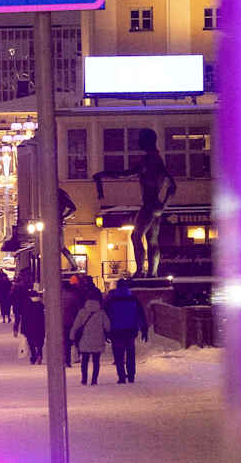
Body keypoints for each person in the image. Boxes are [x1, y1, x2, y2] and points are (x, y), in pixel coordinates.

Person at [93, 128, 177, 277]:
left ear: (146, 141)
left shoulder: (148, 160)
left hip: (149, 205)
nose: (138, 142)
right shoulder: (158, 160)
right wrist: (163, 206)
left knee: (136, 236)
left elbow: (125, 174)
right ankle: (152, 274)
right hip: (156, 205)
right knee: (152, 240)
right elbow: (172, 186)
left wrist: (104, 174)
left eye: (140, 139)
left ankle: (140, 271)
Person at [105, 278, 150, 383]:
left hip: (116, 331)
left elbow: (106, 316)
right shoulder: (133, 298)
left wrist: (106, 331)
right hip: (130, 330)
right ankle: (131, 375)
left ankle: (121, 376)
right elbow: (140, 314)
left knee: (118, 355)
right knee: (130, 353)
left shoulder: (111, 299)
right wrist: (144, 329)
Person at [70, 291, 111, 385]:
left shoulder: (82, 312)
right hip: (98, 340)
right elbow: (108, 326)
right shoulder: (101, 312)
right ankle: (94, 380)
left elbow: (76, 325)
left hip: (85, 340)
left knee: (84, 360)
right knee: (96, 361)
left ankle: (84, 379)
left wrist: (72, 336)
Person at [14, 289, 45, 365]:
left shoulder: (26, 305)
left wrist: (16, 328)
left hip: (28, 326)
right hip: (40, 325)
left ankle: (33, 356)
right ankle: (40, 354)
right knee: (40, 341)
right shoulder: (41, 305)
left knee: (31, 342)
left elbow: (19, 316)